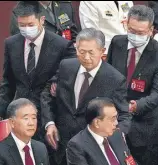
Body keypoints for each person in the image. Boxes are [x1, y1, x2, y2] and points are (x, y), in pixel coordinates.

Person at [0, 1, 76, 141]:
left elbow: (69, 72)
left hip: (50, 115)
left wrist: (56, 81)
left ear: (42, 20)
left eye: (31, 25)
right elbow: (8, 82)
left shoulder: (61, 45)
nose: (26, 29)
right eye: (22, 25)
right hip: (21, 115)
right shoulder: (11, 44)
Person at [41, 28, 131, 165]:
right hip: (59, 143)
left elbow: (124, 116)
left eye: (91, 52)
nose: (86, 57)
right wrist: (49, 123)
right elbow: (47, 94)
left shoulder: (115, 79)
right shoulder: (66, 66)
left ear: (102, 51)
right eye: (81, 52)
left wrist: (112, 136)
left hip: (90, 151)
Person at [107, 5, 158, 165]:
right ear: (126, 24)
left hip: (145, 127)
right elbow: (107, 75)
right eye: (131, 30)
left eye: (141, 33)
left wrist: (133, 107)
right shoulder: (117, 42)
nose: (135, 36)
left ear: (151, 30)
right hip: (115, 123)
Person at [67, 98, 137, 165]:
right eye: (112, 119)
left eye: (116, 117)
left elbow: (129, 161)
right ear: (97, 123)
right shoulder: (77, 146)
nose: (116, 123)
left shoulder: (117, 134)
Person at [0, 98, 50, 165]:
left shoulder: (41, 148)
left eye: (34, 118)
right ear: (12, 122)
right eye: (26, 118)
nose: (31, 123)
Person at [10, 1, 78, 42]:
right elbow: (20, 44)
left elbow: (74, 36)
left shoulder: (65, 5)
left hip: (66, 58)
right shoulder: (23, 9)